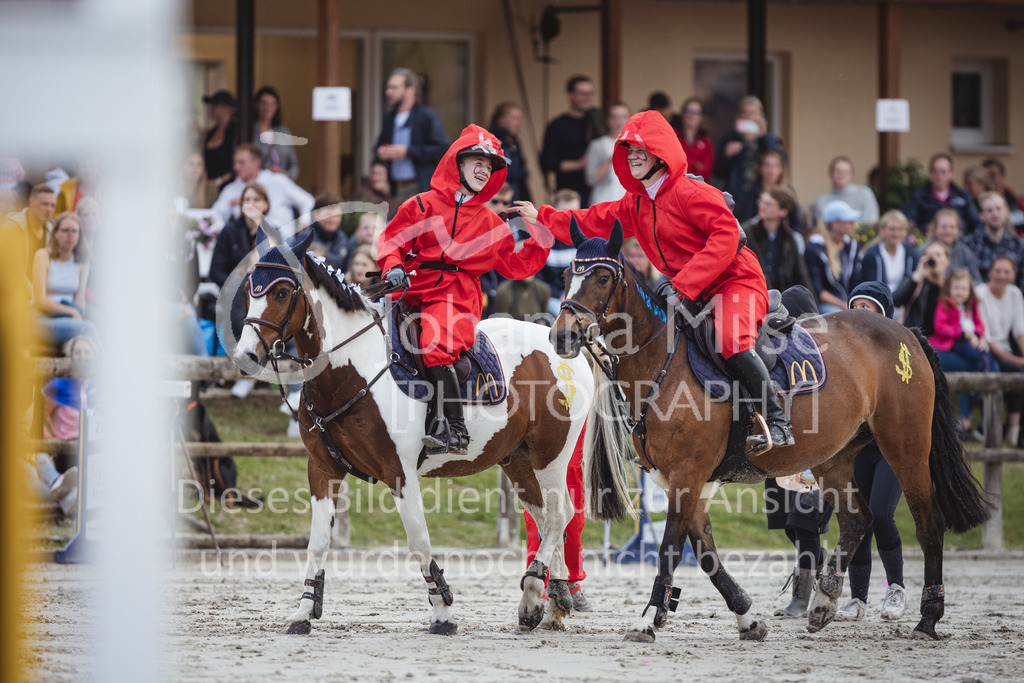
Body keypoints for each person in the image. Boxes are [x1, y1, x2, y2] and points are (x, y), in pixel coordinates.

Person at [513, 110, 794, 453]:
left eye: (640, 151)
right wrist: (542, 217)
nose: (632, 156)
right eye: (629, 151)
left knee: (730, 340)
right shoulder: (636, 202)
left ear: (661, 155)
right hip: (688, 288)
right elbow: (592, 220)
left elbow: (728, 236)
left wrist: (685, 283)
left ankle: (778, 421)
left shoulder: (690, 191)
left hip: (735, 281)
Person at [376, 124, 552, 455]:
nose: (484, 170)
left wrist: (539, 232)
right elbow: (392, 241)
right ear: (458, 162)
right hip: (410, 288)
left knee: (434, 342)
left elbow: (516, 266)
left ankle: (454, 429)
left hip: (455, 297)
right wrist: (393, 266)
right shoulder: (420, 204)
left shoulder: (492, 224)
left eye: (490, 166)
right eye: (478, 162)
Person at [834, 282, 907, 622]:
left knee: (880, 512)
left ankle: (896, 588)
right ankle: (858, 599)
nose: (859, 312)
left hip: (891, 447)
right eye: (855, 306)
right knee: (857, 518)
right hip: (858, 448)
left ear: (883, 315)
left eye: (868, 307)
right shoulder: (842, 356)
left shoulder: (898, 352)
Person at [522, 427, 592, 612]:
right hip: (537, 465)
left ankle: (572, 581)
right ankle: (541, 585)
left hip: (571, 466)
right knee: (537, 526)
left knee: (574, 526)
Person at [929, 268, 995, 437]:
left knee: (984, 356)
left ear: (969, 291)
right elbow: (940, 326)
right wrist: (961, 333)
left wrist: (978, 335)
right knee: (976, 358)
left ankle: (978, 389)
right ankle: (976, 391)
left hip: (970, 341)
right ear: (949, 288)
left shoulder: (971, 306)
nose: (960, 292)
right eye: (956, 288)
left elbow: (979, 324)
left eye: (963, 289)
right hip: (954, 342)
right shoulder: (944, 304)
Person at [375, 67, 449, 204]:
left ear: (410, 90)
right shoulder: (389, 118)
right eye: (388, 88)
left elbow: (442, 148)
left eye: (394, 88)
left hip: (419, 187)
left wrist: (407, 151)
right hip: (395, 188)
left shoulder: (427, 116)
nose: (388, 92)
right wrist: (380, 154)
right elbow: (379, 146)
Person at [210, 143, 314, 240]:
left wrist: (304, 221)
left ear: (257, 162)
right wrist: (229, 205)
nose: (236, 167)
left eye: (241, 162)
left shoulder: (277, 180)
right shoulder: (231, 189)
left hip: (282, 240)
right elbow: (214, 218)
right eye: (235, 162)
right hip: (245, 243)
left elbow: (307, 200)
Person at [210, 182, 271, 341]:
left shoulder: (273, 233)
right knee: (241, 288)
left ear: (266, 204)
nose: (251, 204)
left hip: (265, 292)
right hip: (235, 293)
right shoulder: (229, 232)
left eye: (256, 199)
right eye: (246, 199)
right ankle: (242, 341)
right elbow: (215, 271)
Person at [977, 255, 1024, 446]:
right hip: (985, 349)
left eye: (1006, 272)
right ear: (990, 273)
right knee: (1017, 373)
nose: (1002, 276)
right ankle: (1010, 429)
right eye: (998, 271)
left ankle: (1015, 430)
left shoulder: (1015, 293)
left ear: (1013, 275)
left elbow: (1020, 330)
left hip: (1006, 349)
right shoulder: (980, 293)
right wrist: (1018, 361)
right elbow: (987, 338)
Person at [33, 212, 98, 348]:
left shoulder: (82, 261)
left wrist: (78, 314)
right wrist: (71, 311)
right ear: (56, 233)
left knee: (99, 322)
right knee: (88, 329)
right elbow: (40, 301)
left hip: (70, 318)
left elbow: (79, 301)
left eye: (74, 231)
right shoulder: (43, 256)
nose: (70, 235)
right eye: (65, 230)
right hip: (44, 318)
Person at [540, 74, 607, 205]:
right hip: (569, 191)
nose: (588, 98)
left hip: (598, 190)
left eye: (591, 93)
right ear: (570, 95)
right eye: (583, 94)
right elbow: (548, 161)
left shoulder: (598, 121)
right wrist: (579, 164)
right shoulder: (557, 125)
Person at [714, 95, 784, 201]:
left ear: (761, 116)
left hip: (762, 197)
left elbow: (780, 163)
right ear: (739, 116)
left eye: (753, 113)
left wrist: (764, 136)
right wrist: (726, 156)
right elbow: (718, 172)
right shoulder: (730, 139)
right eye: (745, 112)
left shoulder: (768, 139)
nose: (749, 117)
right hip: (736, 197)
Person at [743, 188, 812, 292]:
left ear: (783, 211)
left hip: (781, 295)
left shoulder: (790, 239)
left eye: (768, 204)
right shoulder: (747, 233)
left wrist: (810, 299)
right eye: (761, 201)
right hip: (754, 292)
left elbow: (801, 275)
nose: (762, 206)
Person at [804, 200, 861, 313]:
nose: (853, 224)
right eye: (849, 221)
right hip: (825, 305)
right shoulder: (814, 249)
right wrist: (844, 305)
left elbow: (856, 282)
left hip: (848, 303)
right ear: (835, 225)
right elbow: (819, 291)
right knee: (838, 314)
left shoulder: (852, 247)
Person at [902, 153, 980, 234]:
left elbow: (976, 223)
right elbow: (908, 223)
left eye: (943, 172)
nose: (939, 176)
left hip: (960, 240)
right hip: (929, 239)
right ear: (930, 174)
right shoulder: (918, 197)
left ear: (952, 173)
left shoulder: (963, 195)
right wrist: (925, 228)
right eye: (935, 171)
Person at [961, 191, 1024, 288]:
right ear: (981, 215)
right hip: (979, 296)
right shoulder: (969, 244)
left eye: (998, 209)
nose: (995, 214)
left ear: (1007, 212)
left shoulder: (1018, 244)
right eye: (989, 210)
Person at [892, 240, 949, 335]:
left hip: (943, 340)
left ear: (948, 260)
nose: (933, 258)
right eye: (929, 255)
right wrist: (918, 275)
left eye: (938, 255)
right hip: (917, 339)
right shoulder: (916, 281)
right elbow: (895, 300)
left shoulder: (951, 286)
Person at [3, 183, 56, 282]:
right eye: (45, 204)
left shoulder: (53, 229)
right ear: (31, 201)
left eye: (53, 205)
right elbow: (11, 269)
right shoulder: (13, 227)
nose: (49, 209)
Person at [857, 209, 918, 292]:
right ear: (882, 230)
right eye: (892, 229)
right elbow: (870, 286)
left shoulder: (911, 254)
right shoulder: (871, 255)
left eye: (900, 229)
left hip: (905, 298)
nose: (896, 233)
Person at [288, 192, 348, 272]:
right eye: (329, 215)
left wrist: (321, 252)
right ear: (316, 214)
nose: (333, 220)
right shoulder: (306, 236)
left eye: (337, 215)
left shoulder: (342, 238)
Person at [734, 148, 796, 224]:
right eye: (767, 165)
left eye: (776, 165)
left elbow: (796, 223)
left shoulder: (788, 192)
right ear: (760, 168)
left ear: (782, 168)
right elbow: (746, 222)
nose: (771, 170)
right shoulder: (751, 192)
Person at [585, 102, 630, 205]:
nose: (619, 122)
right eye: (614, 117)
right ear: (608, 120)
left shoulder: (636, 145)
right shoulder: (597, 144)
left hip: (627, 202)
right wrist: (612, 158)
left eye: (623, 117)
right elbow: (590, 179)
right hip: (603, 201)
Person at [813, 156, 880, 226]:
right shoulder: (822, 200)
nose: (842, 175)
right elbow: (823, 227)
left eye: (846, 172)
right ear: (830, 174)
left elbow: (871, 222)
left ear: (852, 175)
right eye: (838, 172)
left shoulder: (864, 193)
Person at [253, 85, 300, 181]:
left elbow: (294, 164)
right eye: (264, 103)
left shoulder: (283, 131)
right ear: (257, 105)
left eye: (272, 104)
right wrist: (264, 170)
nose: (268, 108)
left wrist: (287, 175)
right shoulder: (249, 131)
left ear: (277, 107)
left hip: (282, 182)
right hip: (259, 183)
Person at [924, 208, 982, 283]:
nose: (948, 231)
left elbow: (977, 281)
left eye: (952, 227)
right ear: (935, 228)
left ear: (958, 229)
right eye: (943, 227)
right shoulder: (924, 250)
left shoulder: (965, 252)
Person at [489, 102, 530, 201]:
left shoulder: (515, 141)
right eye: (515, 118)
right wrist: (523, 173)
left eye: (520, 119)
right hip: (498, 195)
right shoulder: (492, 141)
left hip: (516, 193)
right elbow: (502, 170)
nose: (519, 123)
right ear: (501, 120)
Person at [202, 90, 238, 190]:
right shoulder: (210, 133)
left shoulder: (234, 132)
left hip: (229, 187)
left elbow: (236, 164)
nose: (211, 109)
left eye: (215, 105)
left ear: (226, 108)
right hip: (209, 188)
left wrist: (219, 181)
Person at [676, 97, 714, 180]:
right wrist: (695, 164)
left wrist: (686, 163)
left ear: (701, 117)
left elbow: (706, 173)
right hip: (676, 185)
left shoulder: (706, 142)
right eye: (688, 111)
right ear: (683, 114)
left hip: (698, 186)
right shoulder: (674, 137)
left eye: (696, 112)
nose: (691, 115)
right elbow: (674, 165)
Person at [982, 157, 1024, 232]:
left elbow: (1021, 228)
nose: (988, 179)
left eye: (992, 175)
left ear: (1003, 176)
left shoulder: (1013, 199)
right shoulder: (976, 200)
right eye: (985, 176)